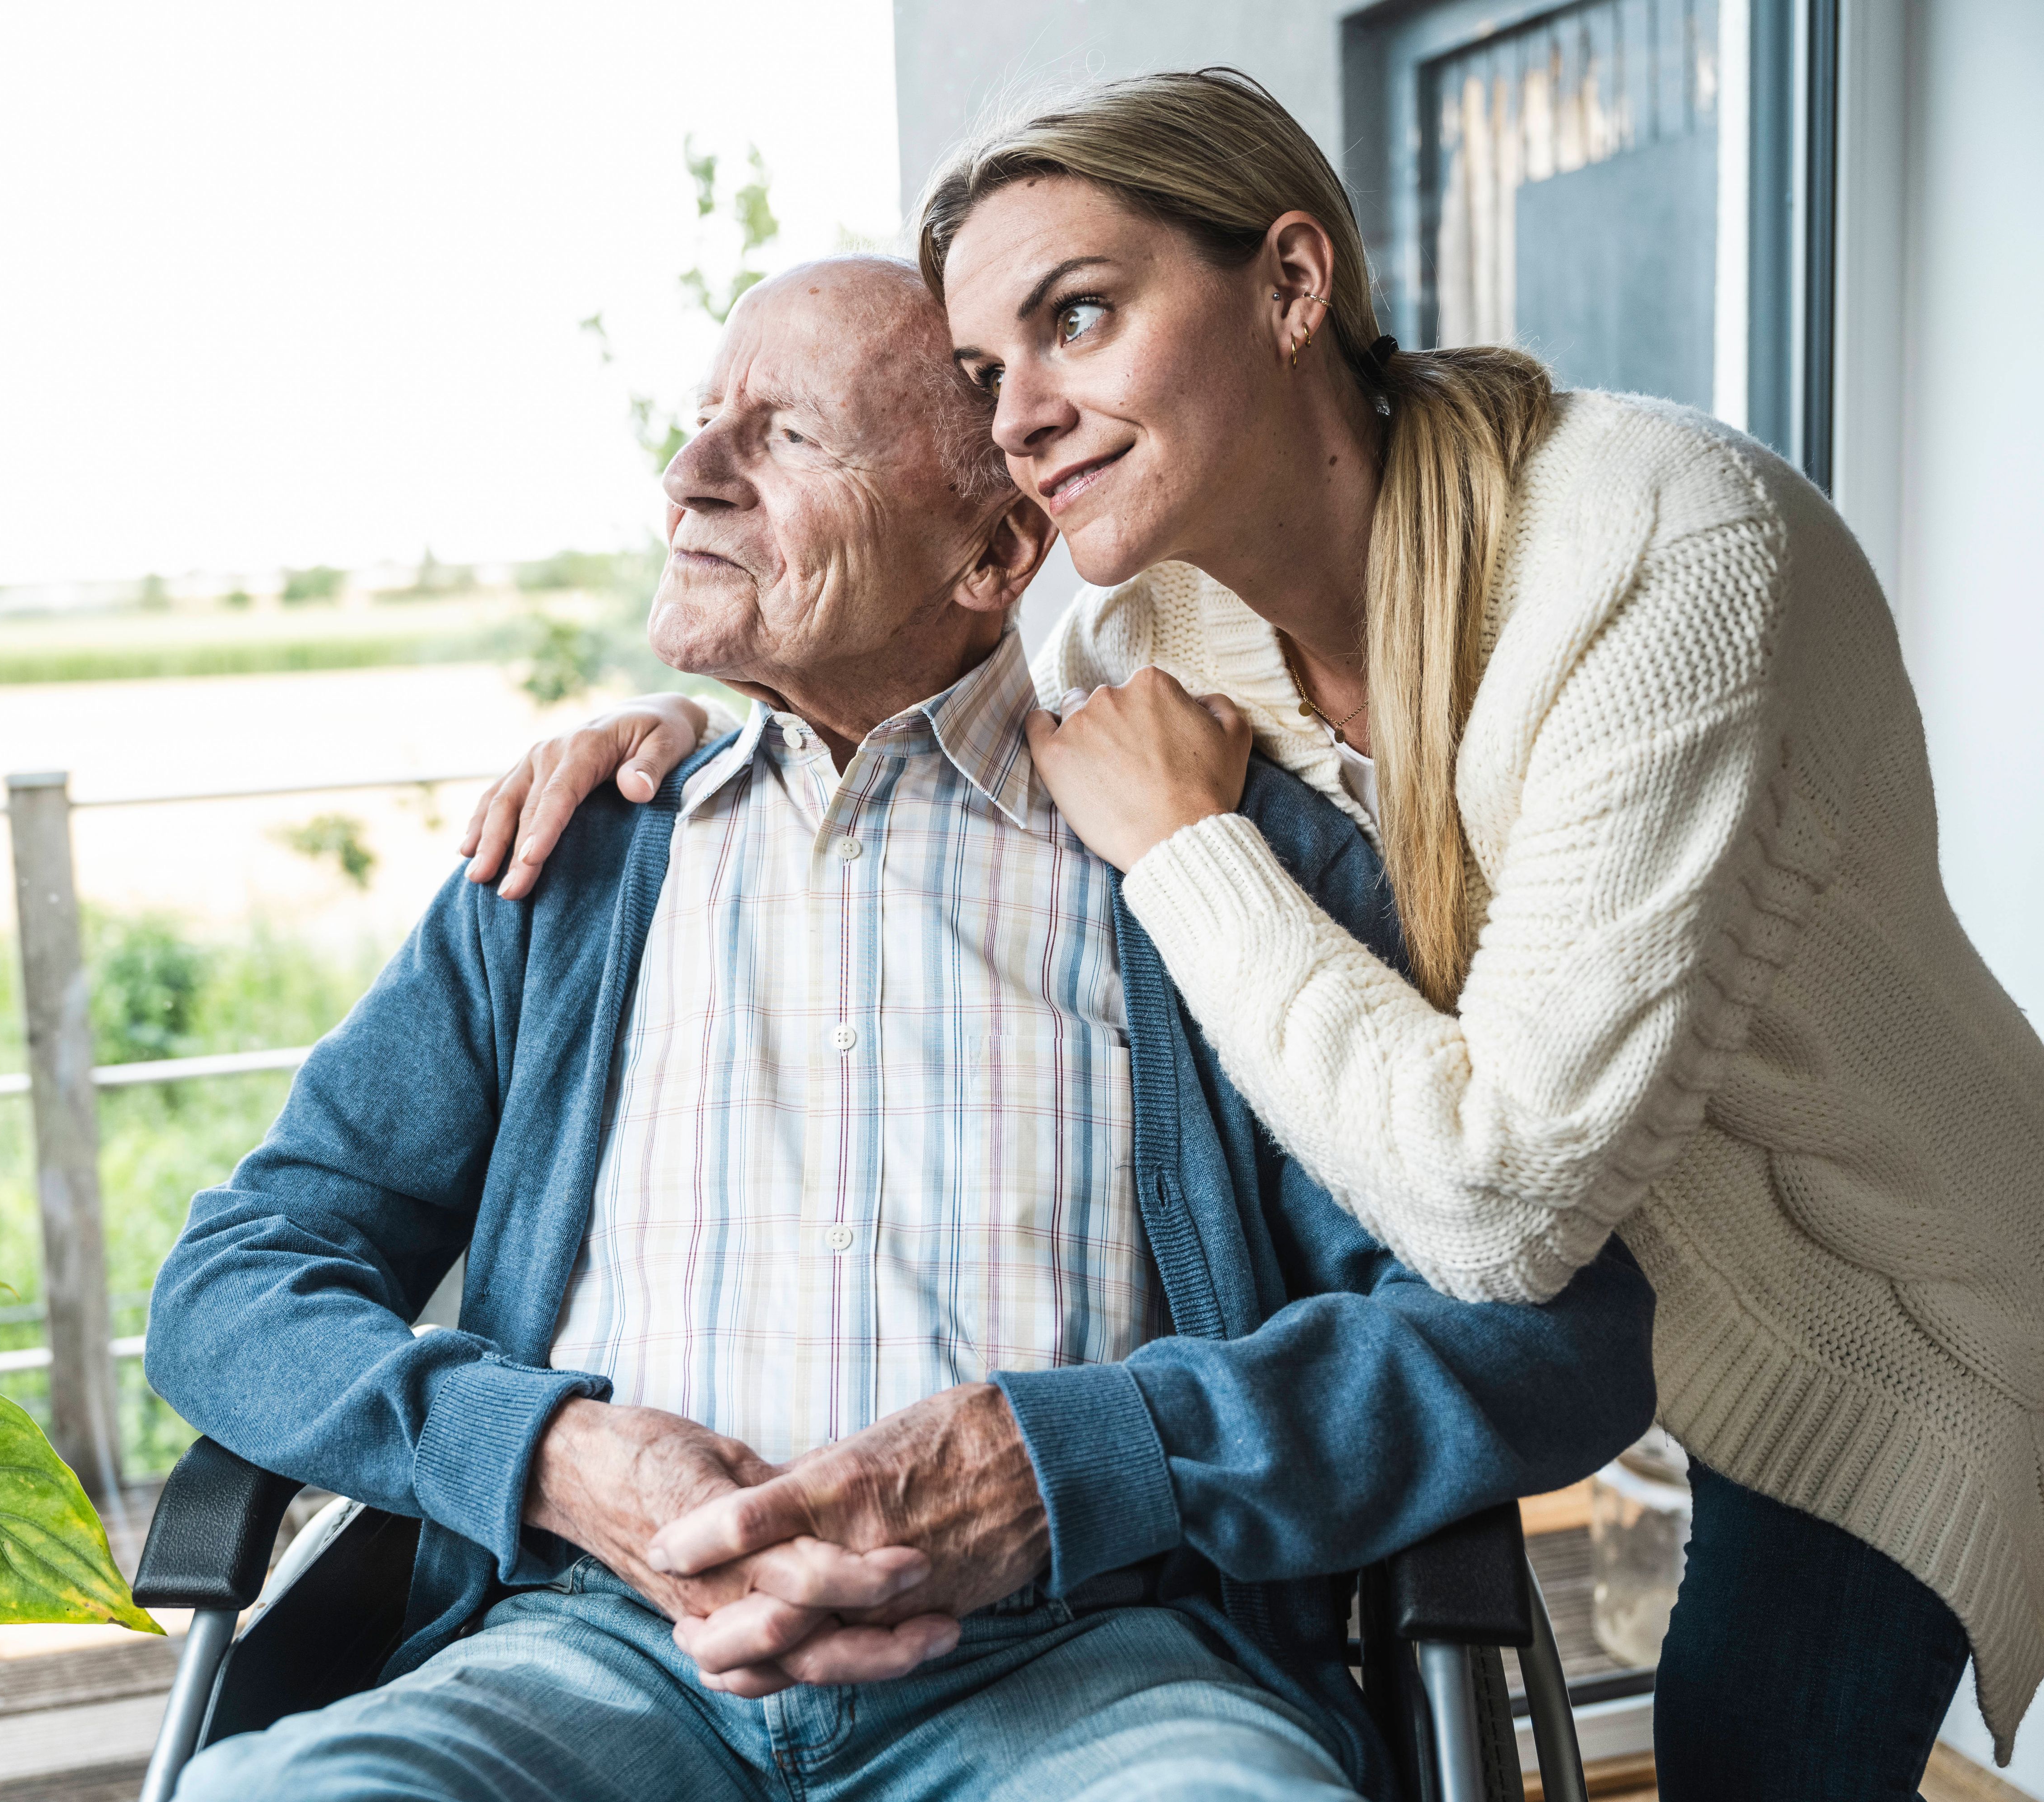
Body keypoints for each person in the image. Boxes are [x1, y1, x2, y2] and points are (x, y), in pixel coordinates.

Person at [459, 67, 2044, 1800]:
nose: (1022, 420)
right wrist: (697, 734)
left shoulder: (1666, 552)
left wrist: (1193, 849)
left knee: (1757, 1760)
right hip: (1629, 1276)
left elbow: (1503, 1207)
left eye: (1081, 318)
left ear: (1293, 285)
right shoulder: (1168, 617)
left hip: (1879, 1301)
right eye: (989, 375)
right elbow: (919, 706)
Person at [146, 255, 1654, 1802]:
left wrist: (1073, 1464)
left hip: (1099, 1681)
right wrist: (544, 1455)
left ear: (996, 550)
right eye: (703, 421)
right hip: (593, 1657)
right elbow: (235, 1283)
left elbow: (1543, 1332)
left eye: (786, 438)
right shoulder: (573, 867)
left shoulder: (1208, 856)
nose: (687, 477)